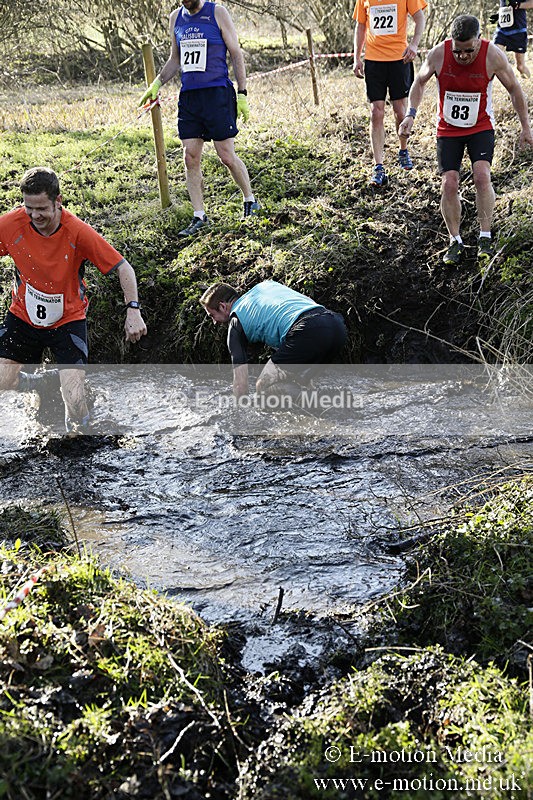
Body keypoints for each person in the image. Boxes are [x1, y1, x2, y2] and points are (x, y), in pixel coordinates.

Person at [0, 167, 148, 433]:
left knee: (75, 401)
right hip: (22, 316)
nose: (35, 216)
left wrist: (133, 310)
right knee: (3, 380)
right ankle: (39, 384)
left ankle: (82, 442)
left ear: (58, 201)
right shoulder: (11, 225)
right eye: (29, 208)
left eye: (42, 208)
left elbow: (124, 268)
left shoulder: (77, 231)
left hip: (67, 320)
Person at [399, 14, 533, 266]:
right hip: (447, 129)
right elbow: (419, 82)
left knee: (482, 175)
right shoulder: (440, 53)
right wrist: (410, 115)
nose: (462, 56)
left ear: (479, 40)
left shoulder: (493, 55)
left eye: (468, 51)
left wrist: (526, 127)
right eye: (458, 51)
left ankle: (485, 235)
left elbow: (515, 89)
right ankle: (455, 240)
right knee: (449, 184)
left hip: (480, 125)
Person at [139, 0, 259, 237]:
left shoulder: (217, 12)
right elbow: (175, 58)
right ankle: (199, 216)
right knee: (190, 156)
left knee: (226, 156)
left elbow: (235, 52)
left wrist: (242, 92)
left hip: (217, 94)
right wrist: (157, 83)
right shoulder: (176, 17)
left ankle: (250, 199)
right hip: (190, 97)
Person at [199, 280, 347, 399]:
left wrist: (240, 418)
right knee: (297, 382)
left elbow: (240, 385)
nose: (214, 322)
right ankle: (328, 403)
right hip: (335, 325)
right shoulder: (266, 286)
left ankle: (323, 403)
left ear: (223, 306)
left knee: (263, 387)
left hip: (305, 329)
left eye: (212, 316)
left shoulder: (236, 322)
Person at [353, 0, 427, 187]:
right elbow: (361, 26)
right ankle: (378, 167)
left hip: (399, 60)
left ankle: (403, 151)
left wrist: (414, 44)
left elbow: (420, 18)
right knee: (376, 112)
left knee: (400, 112)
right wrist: (356, 57)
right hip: (373, 61)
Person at [491, 0, 533, 79]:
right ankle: (486, 87)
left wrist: (519, 4)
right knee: (493, 57)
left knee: (520, 67)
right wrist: (497, 15)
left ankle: (529, 82)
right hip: (502, 30)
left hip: (518, 30)